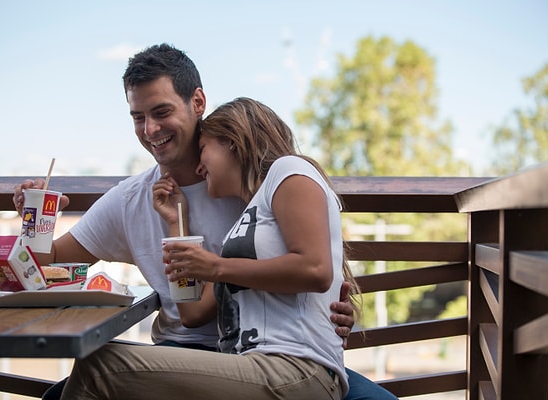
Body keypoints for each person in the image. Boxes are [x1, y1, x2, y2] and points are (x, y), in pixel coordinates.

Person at [12, 44, 388, 399]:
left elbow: (317, 267)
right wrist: (36, 220)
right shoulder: (132, 199)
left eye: (161, 112)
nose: (150, 130)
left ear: (198, 103)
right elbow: (48, 264)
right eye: (138, 117)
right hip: (196, 352)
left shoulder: (259, 191)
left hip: (277, 357)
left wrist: (333, 311)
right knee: (64, 390)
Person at [58, 96, 357, 399]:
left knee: (100, 366)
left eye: (203, 150)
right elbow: (191, 311)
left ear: (232, 142)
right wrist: (178, 224)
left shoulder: (289, 170)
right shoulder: (242, 229)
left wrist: (216, 267)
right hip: (252, 365)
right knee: (91, 370)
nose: (199, 167)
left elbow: (316, 270)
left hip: (294, 368)